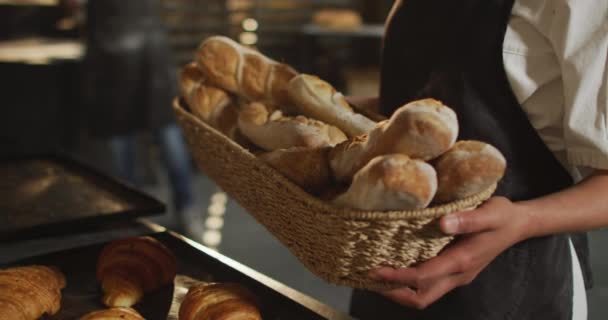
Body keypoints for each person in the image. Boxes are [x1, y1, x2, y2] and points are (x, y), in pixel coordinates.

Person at [346, 0, 607, 318]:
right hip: (385, 274)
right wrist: (315, 108)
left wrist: (524, 220)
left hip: (514, 288)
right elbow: (415, 110)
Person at [76, 0, 202, 236]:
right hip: (145, 58)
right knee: (165, 140)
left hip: (121, 63)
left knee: (140, 145)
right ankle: (183, 211)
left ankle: (134, 217)